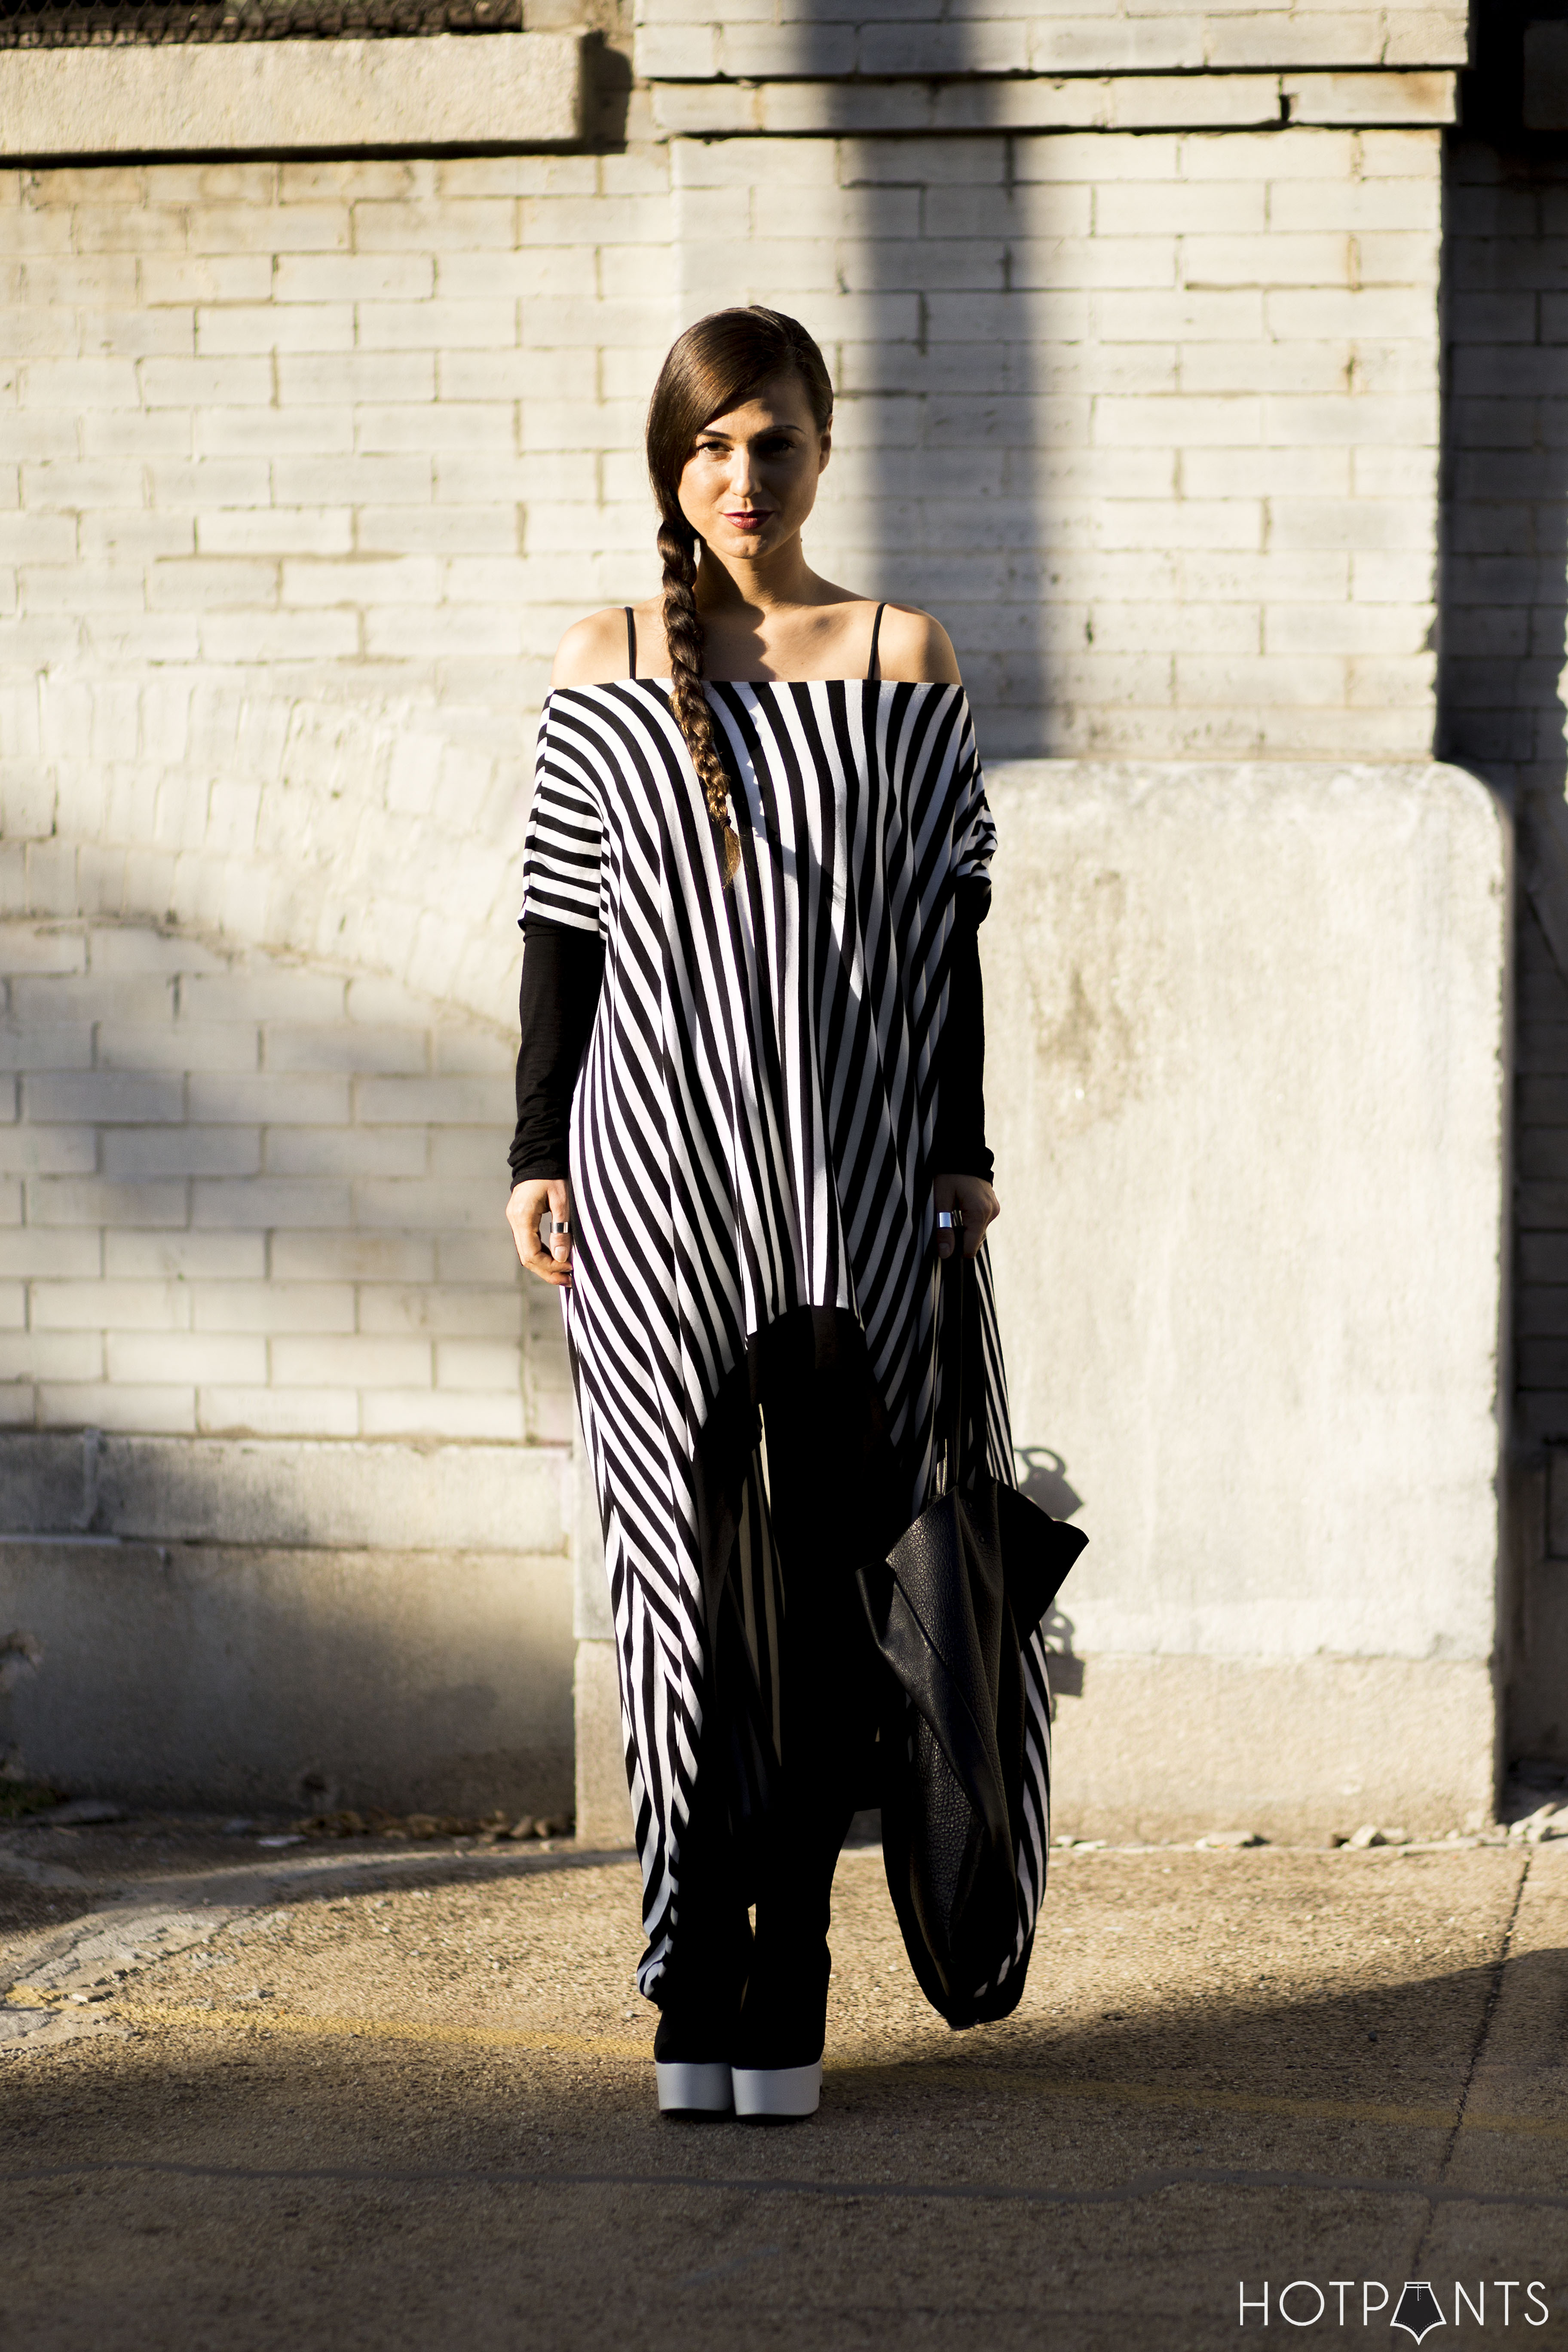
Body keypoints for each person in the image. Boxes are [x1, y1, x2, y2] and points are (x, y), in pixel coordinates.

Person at [505, 305, 1039, 2123]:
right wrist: (534, 1150)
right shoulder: (603, 663)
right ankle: (696, 1969)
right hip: (650, 1177)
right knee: (676, 1593)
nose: (745, 476)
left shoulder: (901, 658)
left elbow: (951, 934)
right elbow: (562, 938)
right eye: (712, 443)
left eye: (777, 439)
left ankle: (794, 1961)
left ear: (828, 447)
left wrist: (961, 1151)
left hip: (852, 1187)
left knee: (820, 1590)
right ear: (673, 460)